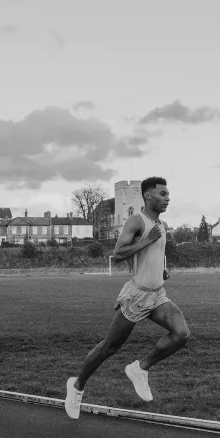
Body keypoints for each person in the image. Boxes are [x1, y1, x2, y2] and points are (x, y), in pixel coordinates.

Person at [64, 176, 190, 419]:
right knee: (110, 347)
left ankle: (140, 368)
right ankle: (77, 386)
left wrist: (161, 270)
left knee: (182, 334)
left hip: (157, 295)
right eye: (163, 194)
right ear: (147, 196)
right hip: (136, 296)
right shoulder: (136, 221)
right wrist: (147, 240)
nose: (168, 198)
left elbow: (152, 255)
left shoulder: (161, 224)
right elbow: (119, 253)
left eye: (168, 194)